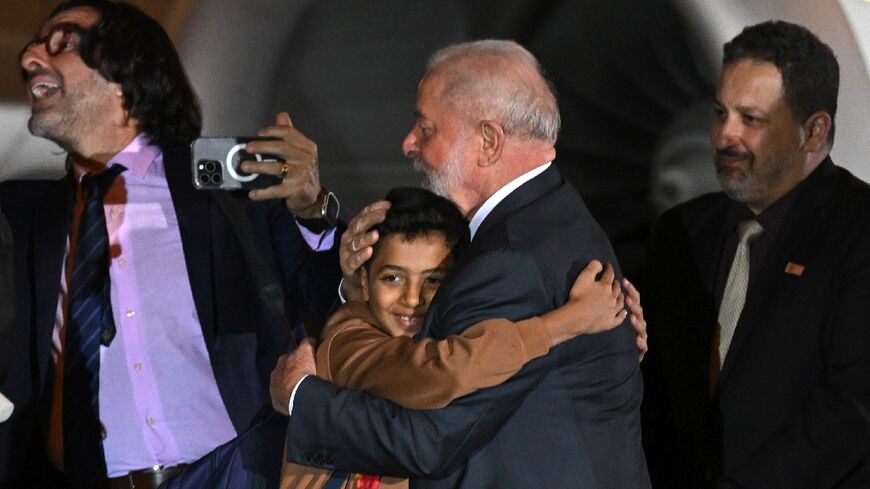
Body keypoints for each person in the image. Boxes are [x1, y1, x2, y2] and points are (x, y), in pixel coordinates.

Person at [271, 39, 650, 488]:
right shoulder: (551, 216)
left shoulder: (510, 261)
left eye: (426, 128)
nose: (408, 143)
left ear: (488, 141)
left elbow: (429, 441)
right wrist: (356, 289)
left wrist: (302, 398)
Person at [0, 0, 342, 487]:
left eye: (61, 40)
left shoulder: (231, 188)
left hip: (238, 474)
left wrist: (313, 210)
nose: (29, 55)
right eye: (33, 45)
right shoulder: (22, 217)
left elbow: (336, 300)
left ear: (127, 68)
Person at [640, 20, 870, 489]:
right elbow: (652, 390)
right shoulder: (681, 232)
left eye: (751, 119)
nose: (725, 135)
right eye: (720, 113)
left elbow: (853, 409)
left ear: (814, 132)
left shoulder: (860, 231)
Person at [279, 186, 634, 488]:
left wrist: (609, 344)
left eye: (433, 280)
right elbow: (441, 371)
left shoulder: (440, 337)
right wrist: (567, 323)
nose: (413, 299)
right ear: (364, 283)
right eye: (393, 278)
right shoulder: (347, 341)